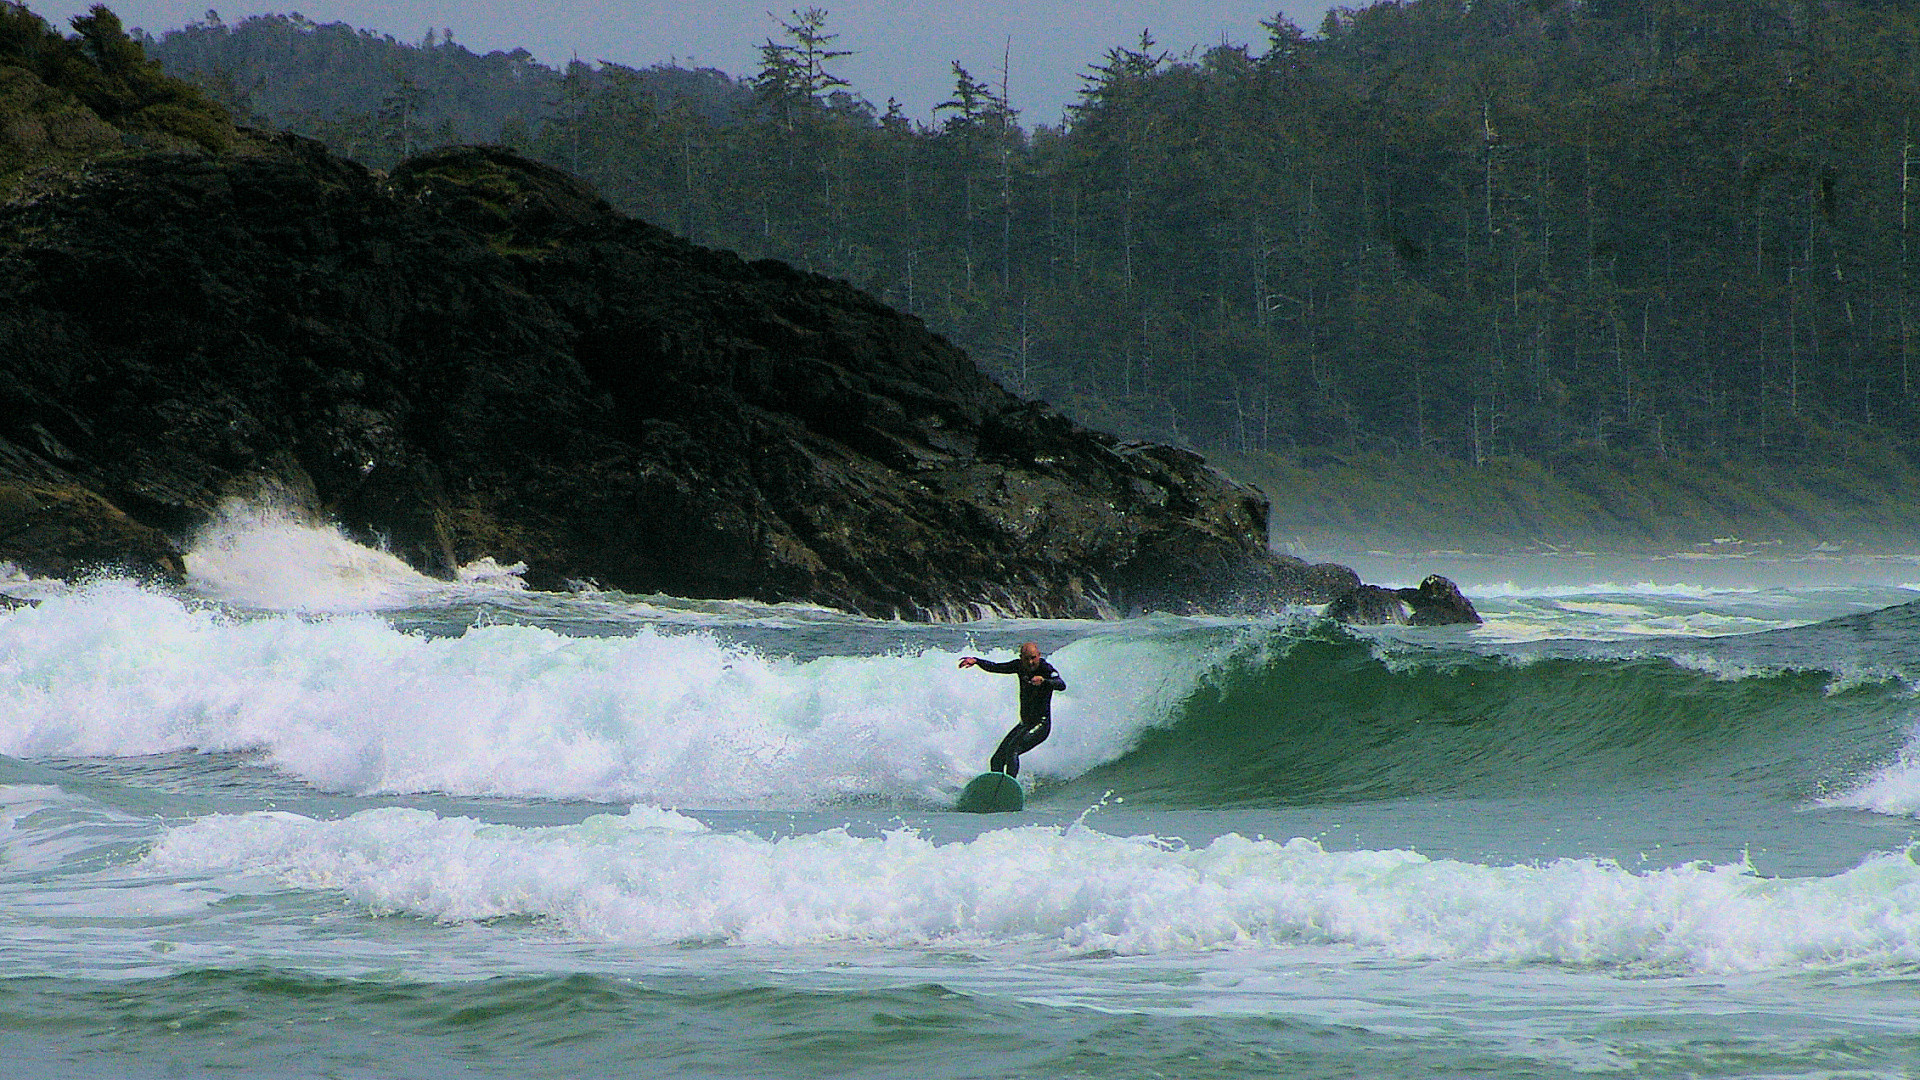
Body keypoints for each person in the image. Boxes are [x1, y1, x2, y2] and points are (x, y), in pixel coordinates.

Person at [957, 641, 1066, 777]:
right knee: (996, 759)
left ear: (1039, 655)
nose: (1030, 662)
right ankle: (997, 789)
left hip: (1041, 725)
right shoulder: (1019, 666)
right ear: (1021, 658)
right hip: (1025, 724)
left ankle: (1009, 784)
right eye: (1026, 659)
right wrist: (976, 661)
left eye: (1033, 658)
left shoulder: (1046, 669)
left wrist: (1044, 681)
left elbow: (1061, 685)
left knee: (1012, 751)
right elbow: (997, 667)